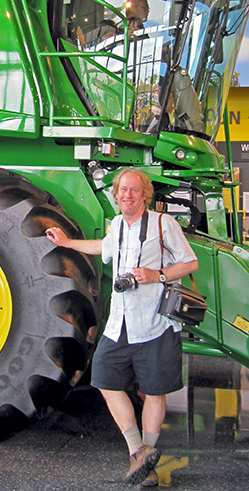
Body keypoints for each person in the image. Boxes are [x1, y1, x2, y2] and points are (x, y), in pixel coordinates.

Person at [46, 169, 198, 487]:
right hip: (120, 323)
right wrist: (68, 242)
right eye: (122, 190)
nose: (127, 195)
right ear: (116, 194)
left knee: (155, 392)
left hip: (155, 322)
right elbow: (104, 247)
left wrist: (157, 275)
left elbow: (190, 262)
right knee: (104, 380)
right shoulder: (116, 224)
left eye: (133, 190)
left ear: (145, 194)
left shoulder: (162, 224)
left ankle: (146, 462)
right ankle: (138, 451)